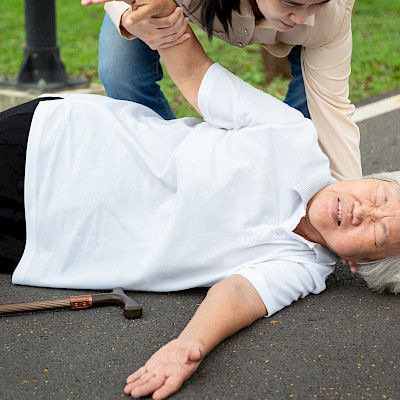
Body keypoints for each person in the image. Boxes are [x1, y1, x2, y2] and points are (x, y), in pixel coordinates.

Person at [2, 18, 400, 400]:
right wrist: (162, 19)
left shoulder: (303, 267)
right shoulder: (292, 134)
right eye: (380, 197)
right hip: (56, 146)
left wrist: (187, 344)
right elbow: (195, 73)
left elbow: (239, 294)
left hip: (47, 241)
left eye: (377, 234)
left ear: (359, 264)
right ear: (371, 178)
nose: (363, 211)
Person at [82, 0, 362, 182]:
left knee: (304, 126)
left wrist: (353, 197)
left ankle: (277, 184)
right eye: (291, 3)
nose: (300, 17)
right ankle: (169, 175)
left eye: (313, 5)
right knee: (121, 74)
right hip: (171, 5)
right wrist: (129, 14)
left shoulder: (329, 17)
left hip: (310, 43)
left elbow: (332, 109)